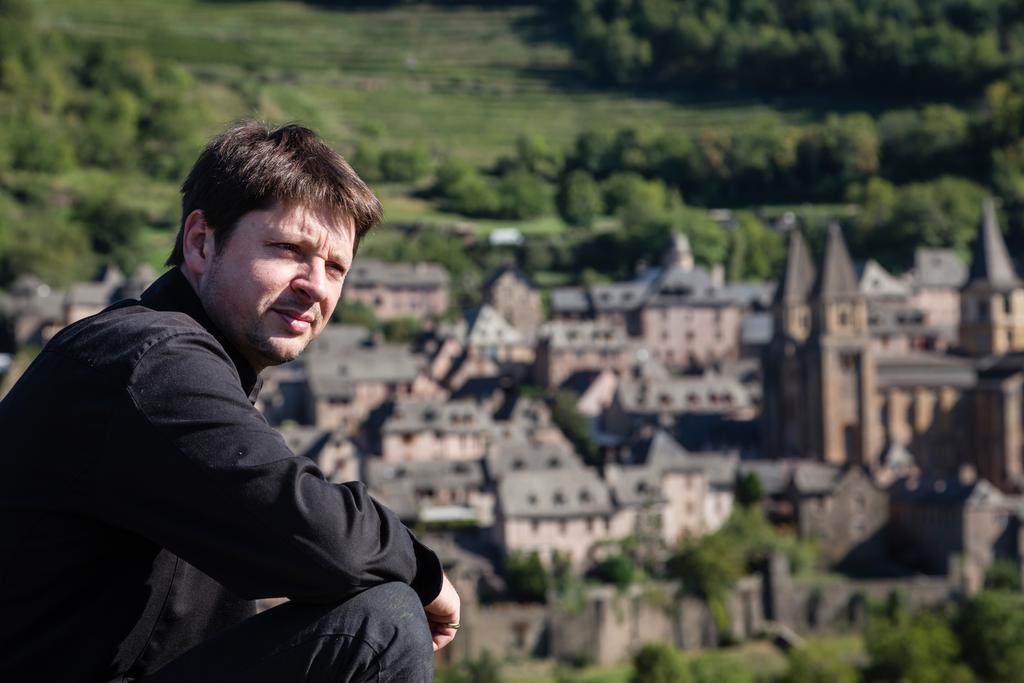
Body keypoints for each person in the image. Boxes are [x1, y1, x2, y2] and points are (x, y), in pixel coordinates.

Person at [0, 121, 459, 682]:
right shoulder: (149, 360)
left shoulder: (186, 371)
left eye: (335, 267)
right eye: (289, 249)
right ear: (201, 242)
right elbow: (323, 540)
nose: (316, 284)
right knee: (381, 624)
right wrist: (424, 571)